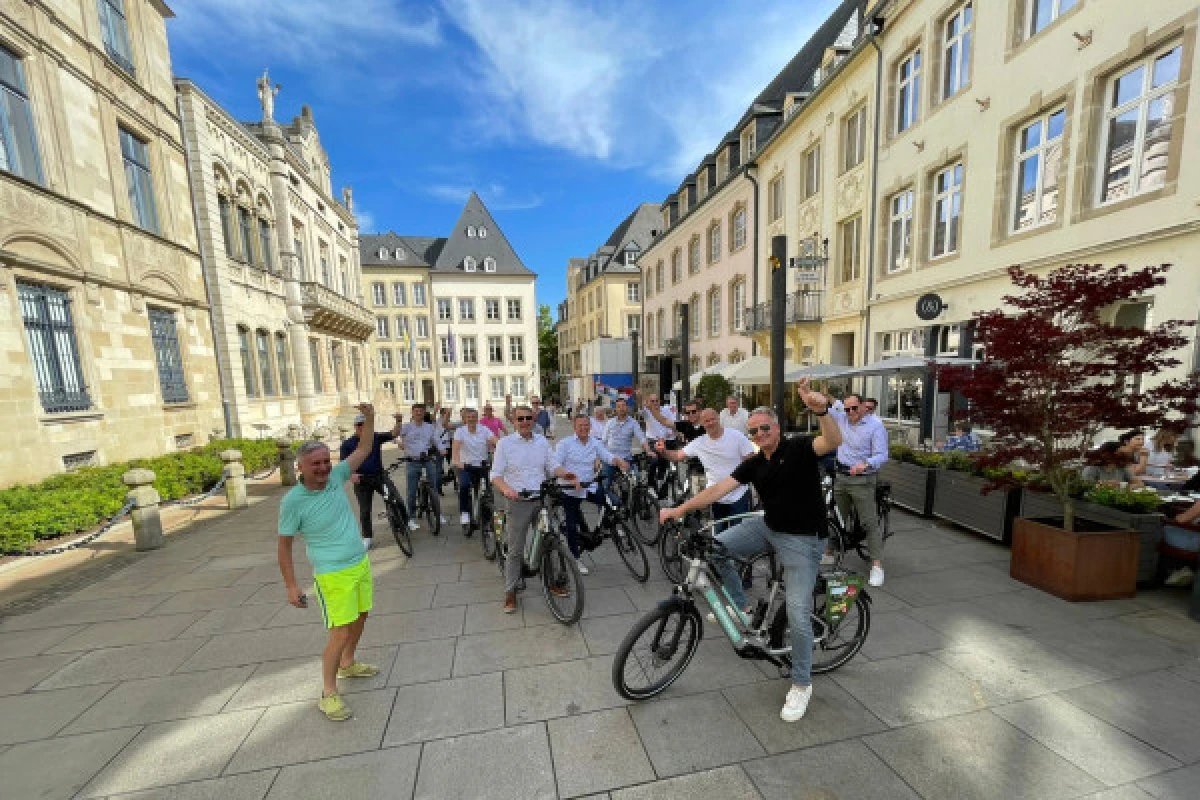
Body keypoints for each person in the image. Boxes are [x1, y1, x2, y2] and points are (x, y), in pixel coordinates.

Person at [660, 380, 840, 723]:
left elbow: (832, 441)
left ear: (777, 428)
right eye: (754, 430)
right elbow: (719, 489)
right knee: (713, 549)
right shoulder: (755, 463)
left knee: (800, 614)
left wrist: (821, 411)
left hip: (804, 539)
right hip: (769, 526)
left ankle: (802, 683)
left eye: (765, 428)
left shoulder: (800, 448)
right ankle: (741, 607)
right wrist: (679, 510)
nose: (759, 434)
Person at [278, 403, 380, 721]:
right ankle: (328, 693)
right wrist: (292, 586)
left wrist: (371, 418)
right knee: (339, 631)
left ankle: (348, 664)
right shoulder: (293, 502)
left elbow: (365, 446)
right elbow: (283, 547)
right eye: (315, 464)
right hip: (332, 574)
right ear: (301, 468)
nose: (322, 468)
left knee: (362, 616)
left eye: (325, 461)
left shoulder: (337, 476)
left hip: (358, 563)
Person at [491, 405, 576, 613]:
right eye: (520, 419)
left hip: (540, 500)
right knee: (515, 548)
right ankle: (510, 591)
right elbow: (495, 474)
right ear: (513, 421)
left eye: (529, 418)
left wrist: (565, 474)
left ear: (534, 419)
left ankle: (552, 580)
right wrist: (507, 490)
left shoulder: (541, 441)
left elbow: (552, 464)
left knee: (550, 540)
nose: (525, 422)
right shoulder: (505, 444)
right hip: (518, 501)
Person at [829, 393, 889, 587]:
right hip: (842, 476)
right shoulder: (842, 418)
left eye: (854, 408)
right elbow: (823, 409)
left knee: (869, 522)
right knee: (836, 516)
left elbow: (882, 454)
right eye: (847, 409)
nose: (851, 413)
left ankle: (877, 565)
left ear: (864, 406)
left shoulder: (875, 426)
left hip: (863, 479)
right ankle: (830, 550)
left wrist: (865, 464)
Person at [556, 415, 628, 574]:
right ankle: (575, 557)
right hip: (571, 488)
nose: (584, 428)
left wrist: (618, 461)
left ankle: (603, 531)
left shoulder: (595, 442)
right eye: (580, 425)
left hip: (590, 486)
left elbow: (607, 456)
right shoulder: (565, 444)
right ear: (574, 427)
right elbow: (556, 465)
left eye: (587, 425)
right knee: (571, 525)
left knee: (611, 503)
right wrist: (569, 477)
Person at [656, 407, 755, 519]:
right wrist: (663, 451)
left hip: (739, 495)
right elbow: (677, 456)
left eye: (713, 419)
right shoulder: (699, 443)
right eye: (707, 421)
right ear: (702, 423)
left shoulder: (737, 436)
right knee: (719, 535)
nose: (711, 423)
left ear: (718, 418)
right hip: (715, 497)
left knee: (738, 535)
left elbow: (751, 462)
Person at [338, 411, 404, 550]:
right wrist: (351, 475)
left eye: (365, 425)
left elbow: (394, 433)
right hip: (362, 480)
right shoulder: (348, 444)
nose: (362, 427)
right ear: (355, 426)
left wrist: (398, 421)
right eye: (359, 425)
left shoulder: (375, 437)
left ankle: (404, 522)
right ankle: (367, 537)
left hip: (379, 476)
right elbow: (344, 464)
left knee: (396, 498)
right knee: (365, 510)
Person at [398, 404, 446, 530]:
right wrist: (399, 442)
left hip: (427, 459)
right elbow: (394, 434)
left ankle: (438, 514)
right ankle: (411, 517)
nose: (419, 413)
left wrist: (442, 449)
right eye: (416, 411)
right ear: (412, 413)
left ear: (424, 413)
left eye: (421, 411)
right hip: (412, 461)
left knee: (434, 487)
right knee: (412, 491)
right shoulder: (406, 427)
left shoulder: (429, 427)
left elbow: (436, 439)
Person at [452, 407, 497, 528]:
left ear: (477, 418)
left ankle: (487, 519)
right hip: (465, 466)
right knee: (465, 486)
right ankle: (465, 512)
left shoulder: (484, 430)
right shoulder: (460, 431)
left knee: (487, 492)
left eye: (473, 417)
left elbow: (494, 440)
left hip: (482, 465)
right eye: (468, 417)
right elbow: (455, 449)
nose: (471, 419)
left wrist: (501, 446)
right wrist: (457, 461)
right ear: (465, 419)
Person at [433, 406, 455, 496]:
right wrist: (435, 410)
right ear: (442, 414)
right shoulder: (437, 421)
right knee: (438, 468)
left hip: (449, 445)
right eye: (447, 412)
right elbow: (432, 418)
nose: (449, 414)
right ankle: (438, 489)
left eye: (449, 413)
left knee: (454, 466)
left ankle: (456, 484)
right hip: (440, 446)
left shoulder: (450, 422)